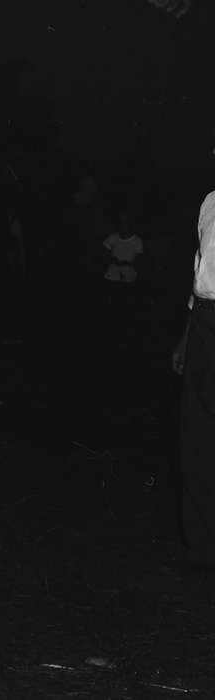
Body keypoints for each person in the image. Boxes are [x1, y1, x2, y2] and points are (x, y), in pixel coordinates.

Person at [174, 190, 215, 569]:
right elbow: (198, 270)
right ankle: (200, 544)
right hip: (205, 322)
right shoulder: (209, 202)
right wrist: (187, 338)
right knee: (198, 433)